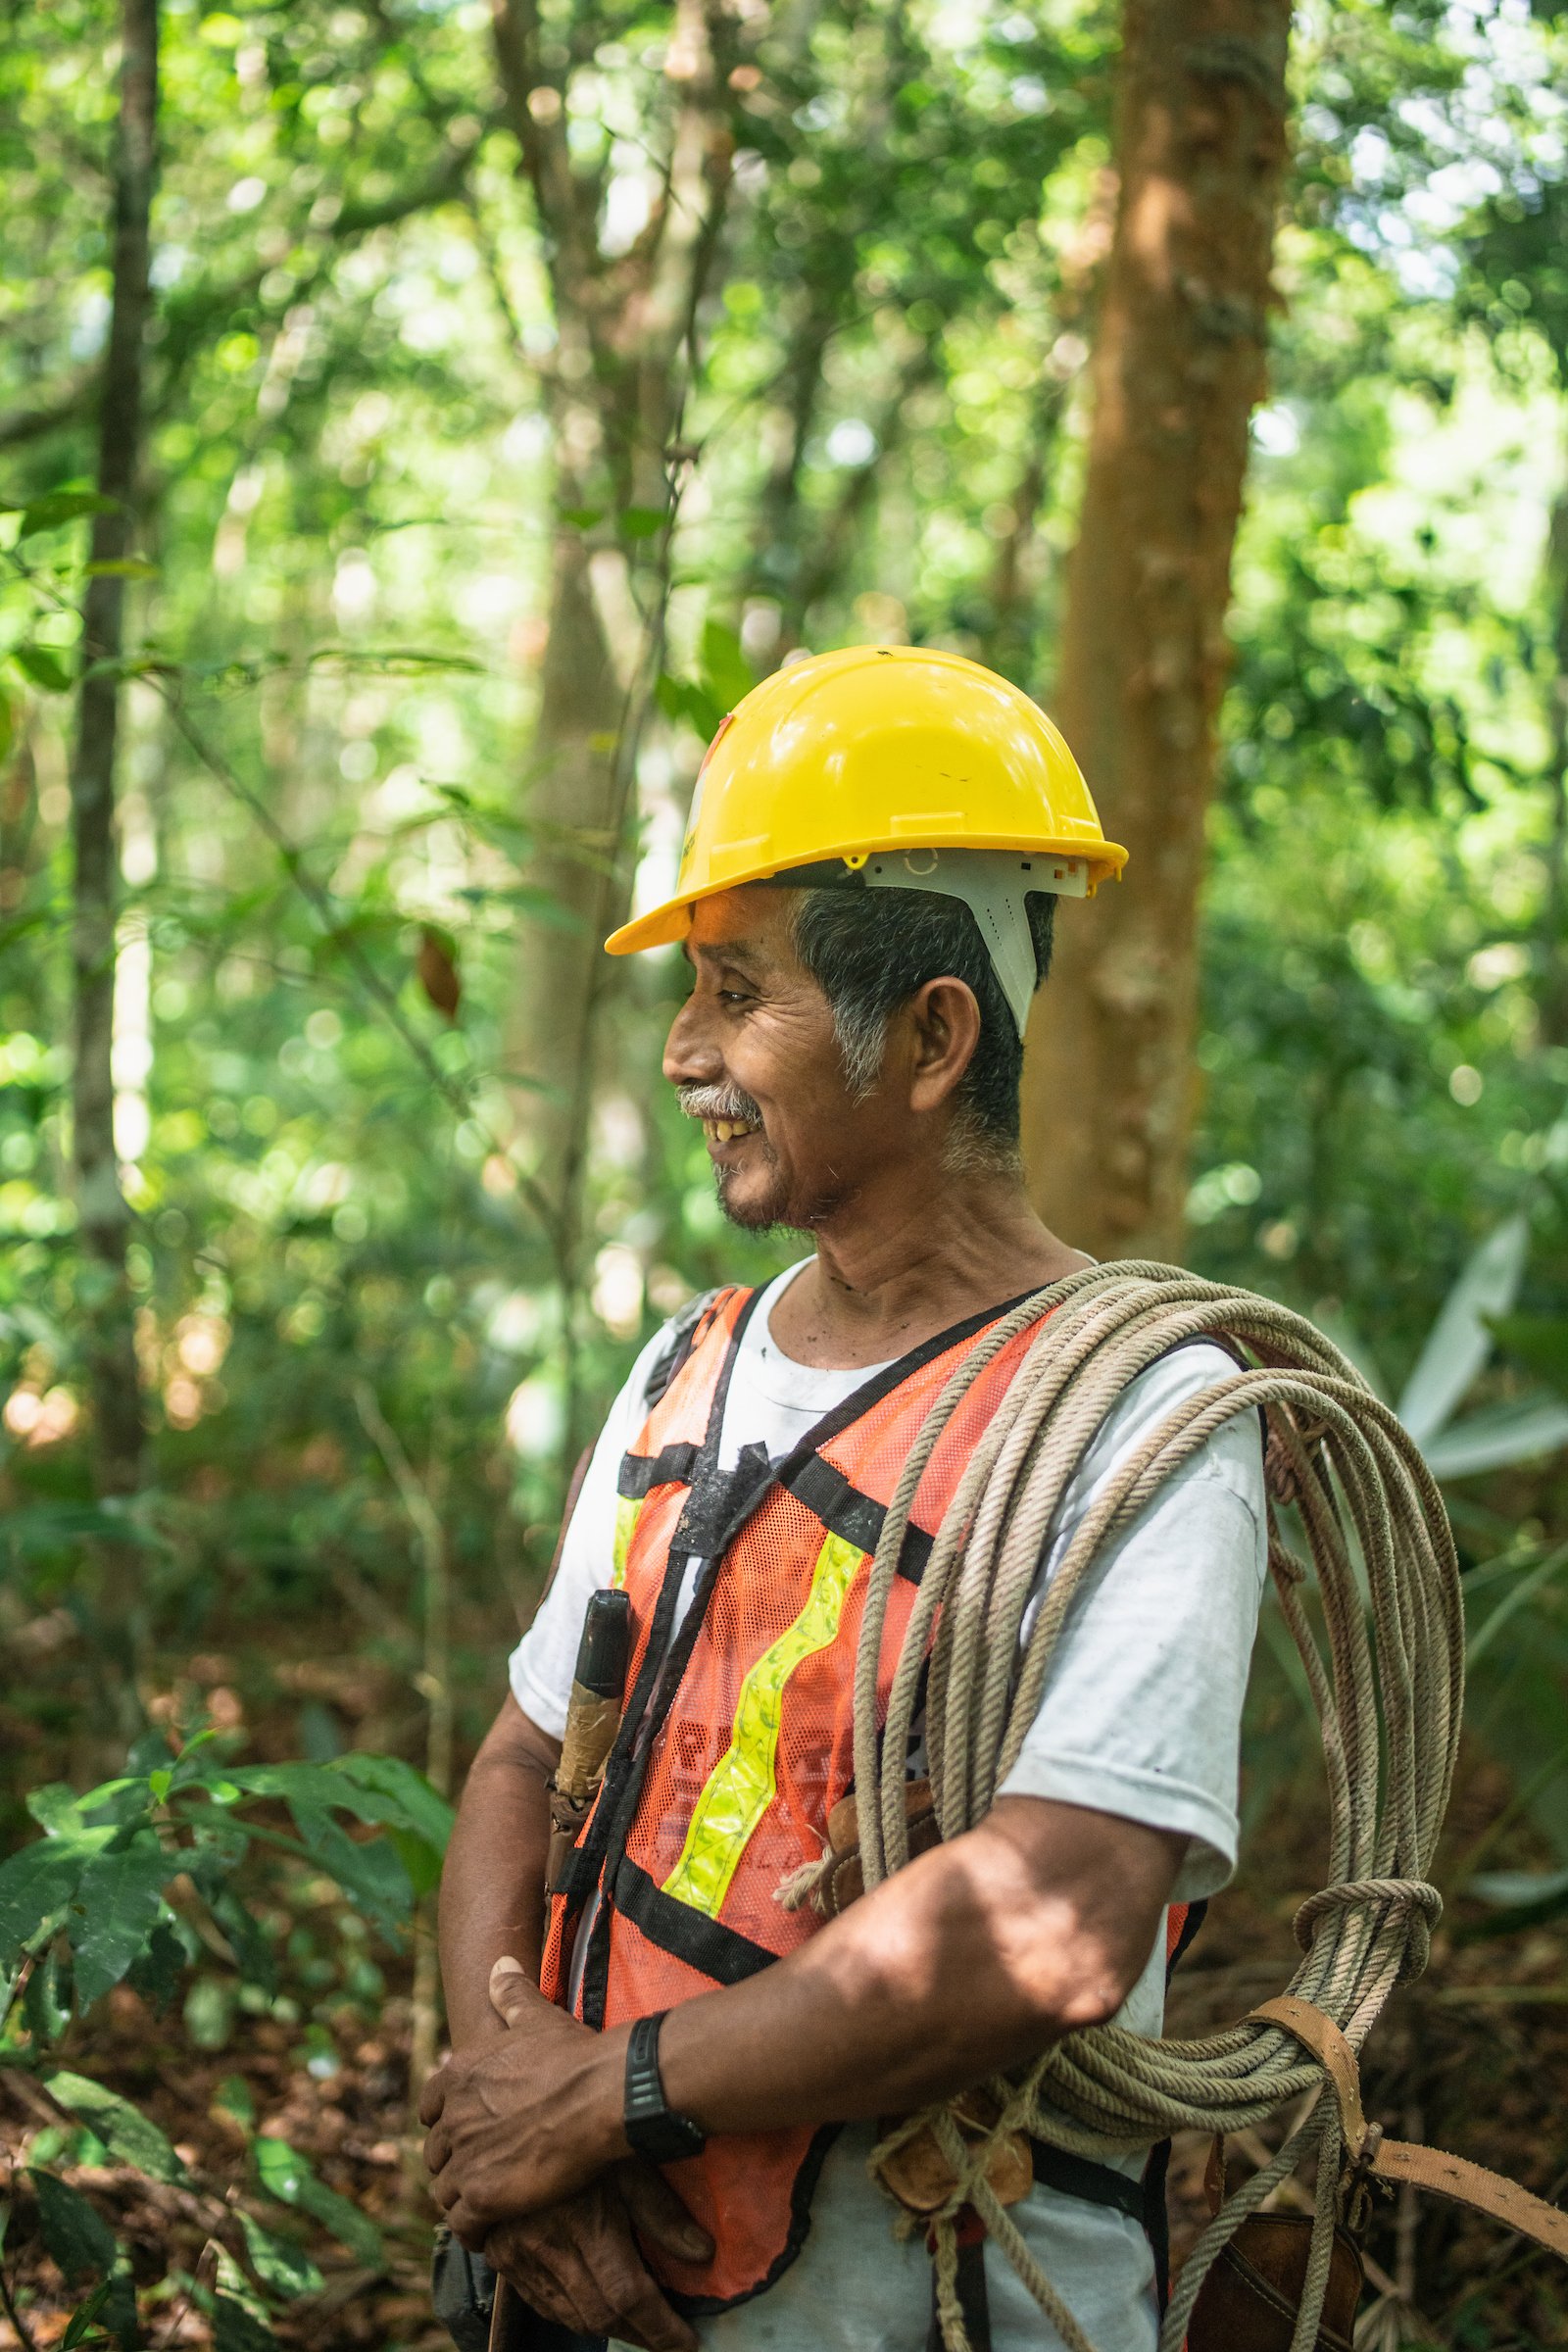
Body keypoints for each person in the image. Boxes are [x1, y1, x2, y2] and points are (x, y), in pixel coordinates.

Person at [420, 647, 1267, 2352]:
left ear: (936, 1037)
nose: (684, 1053)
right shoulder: (683, 1364)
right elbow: (521, 1763)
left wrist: (605, 2106)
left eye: (739, 994)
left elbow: (1068, 1909)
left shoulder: (1142, 1419)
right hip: (580, 2271)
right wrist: (520, 2106)